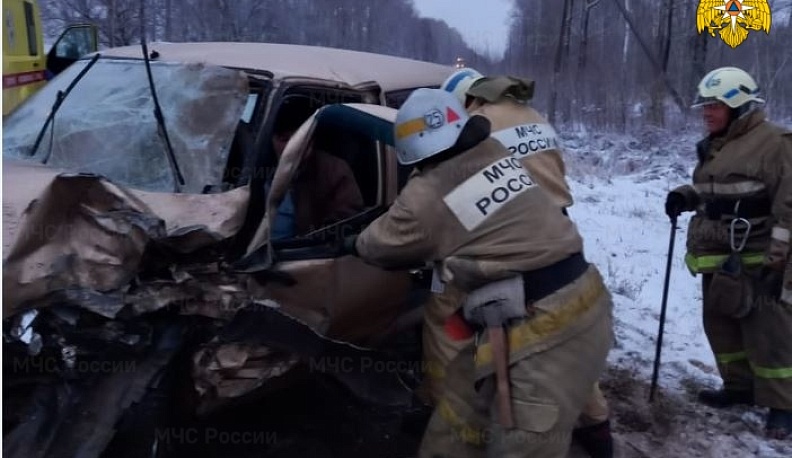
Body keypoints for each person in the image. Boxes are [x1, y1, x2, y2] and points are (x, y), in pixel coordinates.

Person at [343, 88, 614, 457]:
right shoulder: (494, 152)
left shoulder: (425, 198)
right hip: (561, 298)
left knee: (523, 442)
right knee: (458, 418)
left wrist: (351, 241)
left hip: (551, 326)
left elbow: (379, 246)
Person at [438, 68, 614, 457]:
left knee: (516, 339)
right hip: (561, 234)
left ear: (465, 100)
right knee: (564, 333)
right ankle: (597, 428)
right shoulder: (531, 115)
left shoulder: (476, 126)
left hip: (517, 244)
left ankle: (505, 423)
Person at [665, 66, 792, 439]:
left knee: (770, 334)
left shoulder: (776, 143)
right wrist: (686, 196)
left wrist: (778, 261)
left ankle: (783, 406)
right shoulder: (719, 143)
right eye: (705, 106)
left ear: (739, 107)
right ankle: (739, 387)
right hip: (718, 254)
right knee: (720, 325)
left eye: (715, 106)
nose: (706, 113)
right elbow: (718, 188)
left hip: (759, 257)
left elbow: (789, 206)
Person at [267, 98, 365, 239]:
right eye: (284, 139)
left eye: (298, 139)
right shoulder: (257, 166)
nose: (291, 147)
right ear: (272, 140)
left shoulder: (334, 170)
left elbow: (347, 221)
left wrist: (312, 240)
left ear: (311, 139)